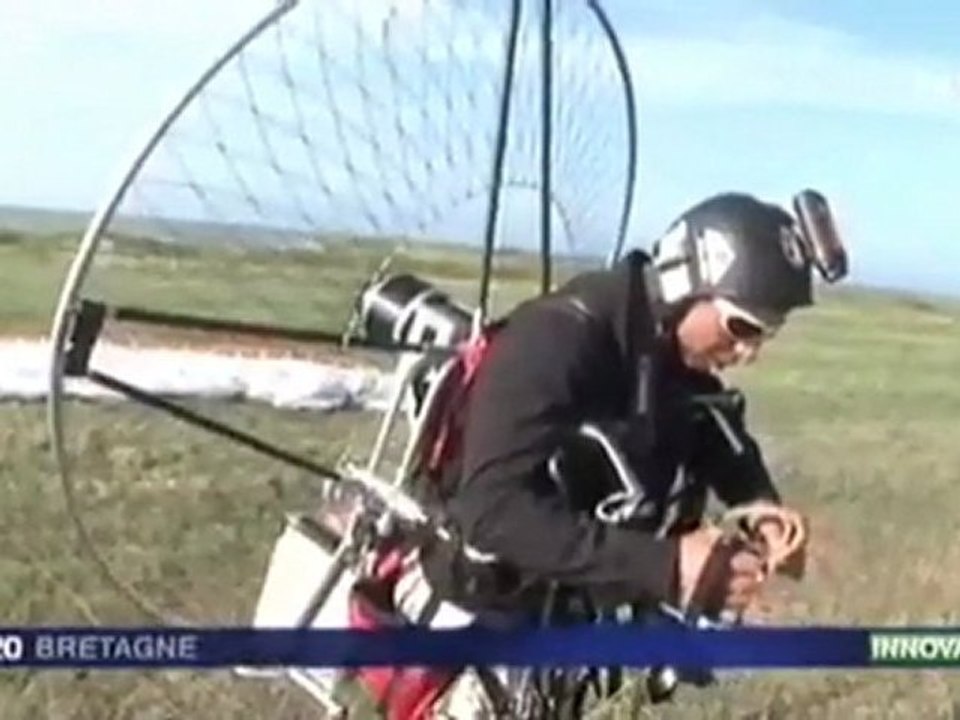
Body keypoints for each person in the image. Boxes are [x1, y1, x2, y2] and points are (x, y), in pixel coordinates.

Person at [413, 190, 845, 627]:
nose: (748, 352)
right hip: (480, 605)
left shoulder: (666, 347)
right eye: (741, 327)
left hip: (564, 605)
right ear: (685, 284)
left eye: (763, 335)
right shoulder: (557, 340)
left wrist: (759, 509)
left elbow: (711, 424)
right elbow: (492, 512)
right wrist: (666, 566)